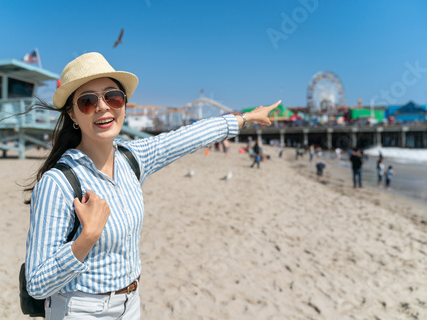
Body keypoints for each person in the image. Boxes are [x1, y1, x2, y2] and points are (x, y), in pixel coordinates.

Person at [23, 52, 280, 319]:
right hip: (82, 309)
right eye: (87, 101)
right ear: (72, 114)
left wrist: (245, 118)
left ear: (123, 104)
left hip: (131, 304)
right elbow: (37, 284)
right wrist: (85, 240)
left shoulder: (132, 158)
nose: (102, 107)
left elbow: (187, 137)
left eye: (113, 97)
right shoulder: (58, 183)